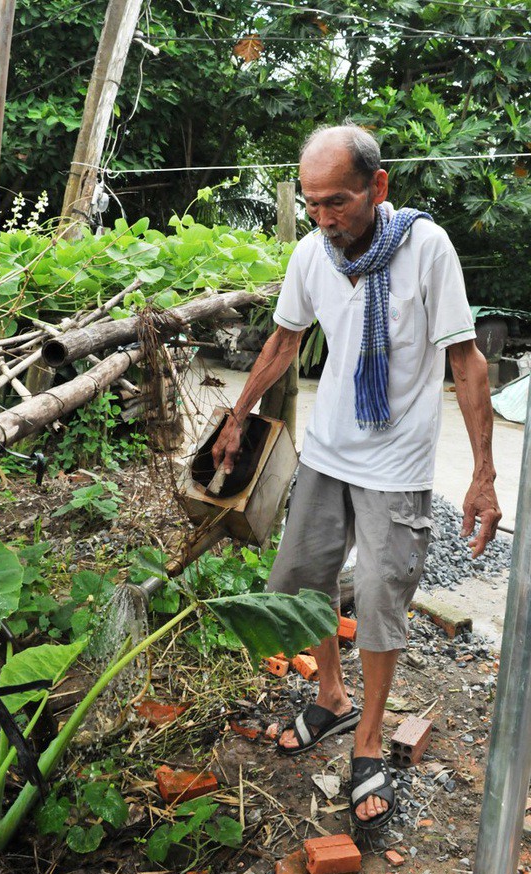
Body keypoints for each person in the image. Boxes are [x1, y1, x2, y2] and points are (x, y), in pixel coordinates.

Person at [211, 123, 501, 830]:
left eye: (336, 202)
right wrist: (237, 416)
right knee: (304, 582)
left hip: (396, 465)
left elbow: (466, 361)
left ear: (378, 186)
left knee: (379, 598)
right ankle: (331, 697)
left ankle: (368, 742)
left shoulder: (426, 249)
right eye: (311, 203)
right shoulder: (313, 252)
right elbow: (285, 338)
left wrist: (484, 474)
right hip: (327, 451)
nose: (322, 218)